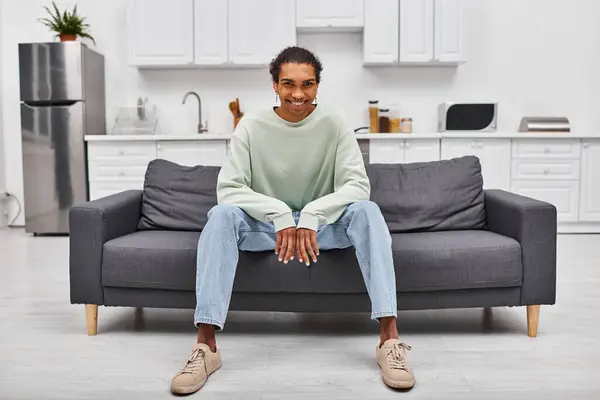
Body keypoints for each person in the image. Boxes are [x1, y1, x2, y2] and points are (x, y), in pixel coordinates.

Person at [170, 46, 415, 395]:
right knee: (221, 216)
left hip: (322, 228)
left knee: (368, 211)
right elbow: (228, 188)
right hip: (269, 229)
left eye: (308, 84)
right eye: (288, 83)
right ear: (274, 84)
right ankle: (205, 346)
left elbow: (358, 185)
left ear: (317, 85)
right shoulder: (252, 125)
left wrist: (312, 215)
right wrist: (280, 214)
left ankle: (389, 341)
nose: (298, 94)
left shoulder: (334, 123)